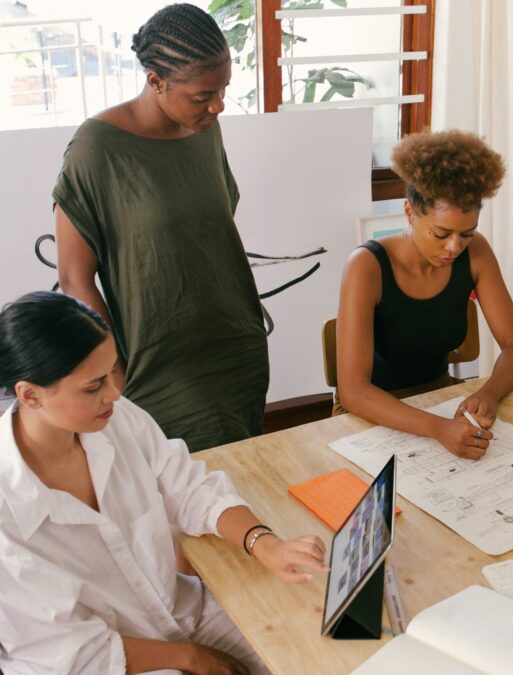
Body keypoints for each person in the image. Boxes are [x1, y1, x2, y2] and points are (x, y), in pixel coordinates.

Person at [0, 291, 327, 674]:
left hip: (181, 612)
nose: (114, 393)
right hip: (98, 663)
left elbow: (190, 490)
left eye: (112, 372)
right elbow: (68, 651)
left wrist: (266, 544)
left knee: (310, 645)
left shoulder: (114, 417)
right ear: (30, 395)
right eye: (93, 386)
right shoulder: (7, 511)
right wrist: (192, 657)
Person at [53, 3, 268, 452]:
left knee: (243, 471)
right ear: (156, 81)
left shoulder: (204, 128)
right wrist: (113, 369)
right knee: (180, 478)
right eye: (202, 96)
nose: (218, 105)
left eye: (224, 89)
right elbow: (74, 278)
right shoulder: (97, 148)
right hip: (158, 363)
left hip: (236, 345)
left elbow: (211, 230)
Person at [336, 130, 513, 459]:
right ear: (410, 212)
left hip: (440, 400)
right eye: (441, 234)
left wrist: (489, 393)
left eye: (466, 234)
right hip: (371, 414)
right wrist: (439, 429)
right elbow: (353, 391)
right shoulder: (366, 266)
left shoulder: (476, 252)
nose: (454, 247)